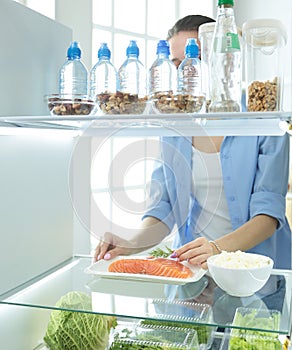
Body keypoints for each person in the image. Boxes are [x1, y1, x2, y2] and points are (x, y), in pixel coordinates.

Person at [94, 15, 291, 270]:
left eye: (194, 61)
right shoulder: (174, 124)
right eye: (177, 64)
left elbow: (268, 212)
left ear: (225, 59)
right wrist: (129, 243)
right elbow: (164, 207)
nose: (185, 73)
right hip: (193, 271)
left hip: (256, 271)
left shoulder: (260, 114)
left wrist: (217, 250)